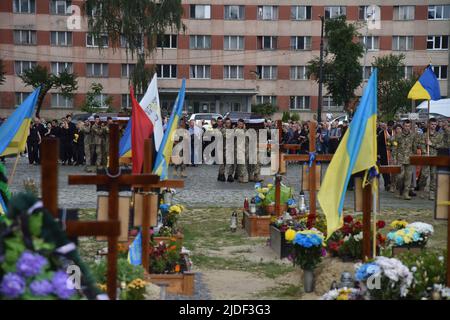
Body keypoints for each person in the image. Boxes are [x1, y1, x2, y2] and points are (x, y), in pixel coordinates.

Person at [391, 120, 421, 200]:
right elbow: (394, 147)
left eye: (409, 126)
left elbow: (415, 147)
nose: (407, 128)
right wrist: (394, 158)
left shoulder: (413, 135)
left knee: (408, 177)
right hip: (400, 158)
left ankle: (406, 193)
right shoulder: (398, 136)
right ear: (403, 126)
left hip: (409, 158)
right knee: (400, 176)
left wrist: (416, 148)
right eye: (406, 126)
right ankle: (398, 189)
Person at [418, 118, 445, 200]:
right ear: (428, 125)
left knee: (433, 175)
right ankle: (422, 189)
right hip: (426, 157)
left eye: (435, 124)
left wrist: (431, 144)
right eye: (432, 124)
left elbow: (441, 146)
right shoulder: (424, 135)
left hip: (435, 157)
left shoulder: (439, 135)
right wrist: (425, 152)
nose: (433, 126)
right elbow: (421, 145)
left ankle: (432, 192)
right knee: (424, 175)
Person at [235, 119, 248, 183]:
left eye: (241, 124)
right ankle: (241, 177)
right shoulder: (236, 130)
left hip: (244, 148)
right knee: (241, 163)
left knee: (242, 163)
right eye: (239, 123)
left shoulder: (245, 130)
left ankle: (239, 176)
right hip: (238, 149)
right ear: (237, 123)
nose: (240, 125)